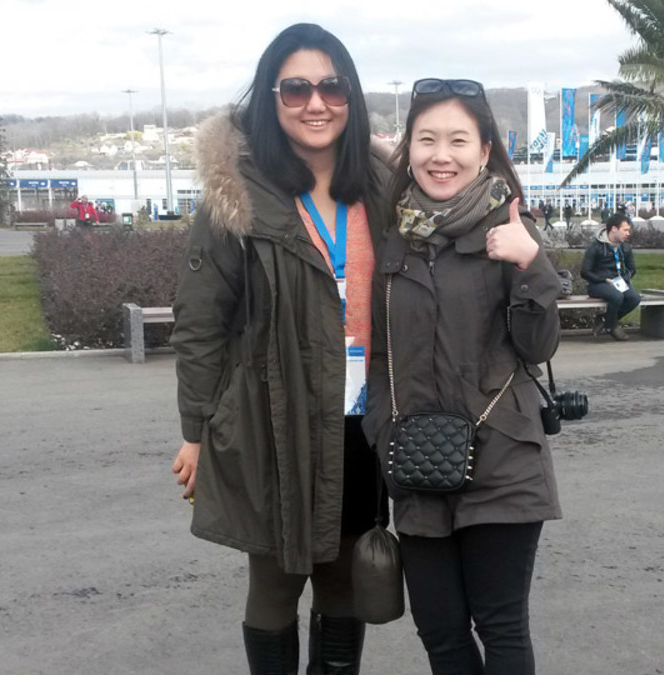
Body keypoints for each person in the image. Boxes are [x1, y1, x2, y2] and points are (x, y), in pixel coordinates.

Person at [169, 23, 390, 674]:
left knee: (346, 579)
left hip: (363, 422)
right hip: (275, 417)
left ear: (351, 96)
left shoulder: (381, 187)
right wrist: (195, 431)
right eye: (296, 88)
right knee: (275, 581)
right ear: (271, 98)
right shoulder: (240, 196)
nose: (315, 103)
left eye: (331, 86)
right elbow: (200, 321)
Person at [363, 77, 561, 675]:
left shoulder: (509, 232)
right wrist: (382, 426)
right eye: (426, 139)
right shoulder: (393, 239)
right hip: (419, 462)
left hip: (503, 460)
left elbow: (537, 344)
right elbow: (377, 351)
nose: (440, 155)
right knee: (441, 633)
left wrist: (531, 263)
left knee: (500, 629)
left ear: (484, 150)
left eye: (457, 140)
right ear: (408, 148)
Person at [581, 214, 640, 341]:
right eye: (625, 230)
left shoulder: (625, 248)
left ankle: (604, 319)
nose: (628, 233)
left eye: (628, 230)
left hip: (619, 282)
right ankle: (611, 327)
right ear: (614, 229)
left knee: (634, 298)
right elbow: (585, 272)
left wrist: (624, 279)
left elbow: (632, 269)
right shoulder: (595, 247)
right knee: (617, 296)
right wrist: (605, 280)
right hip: (597, 284)